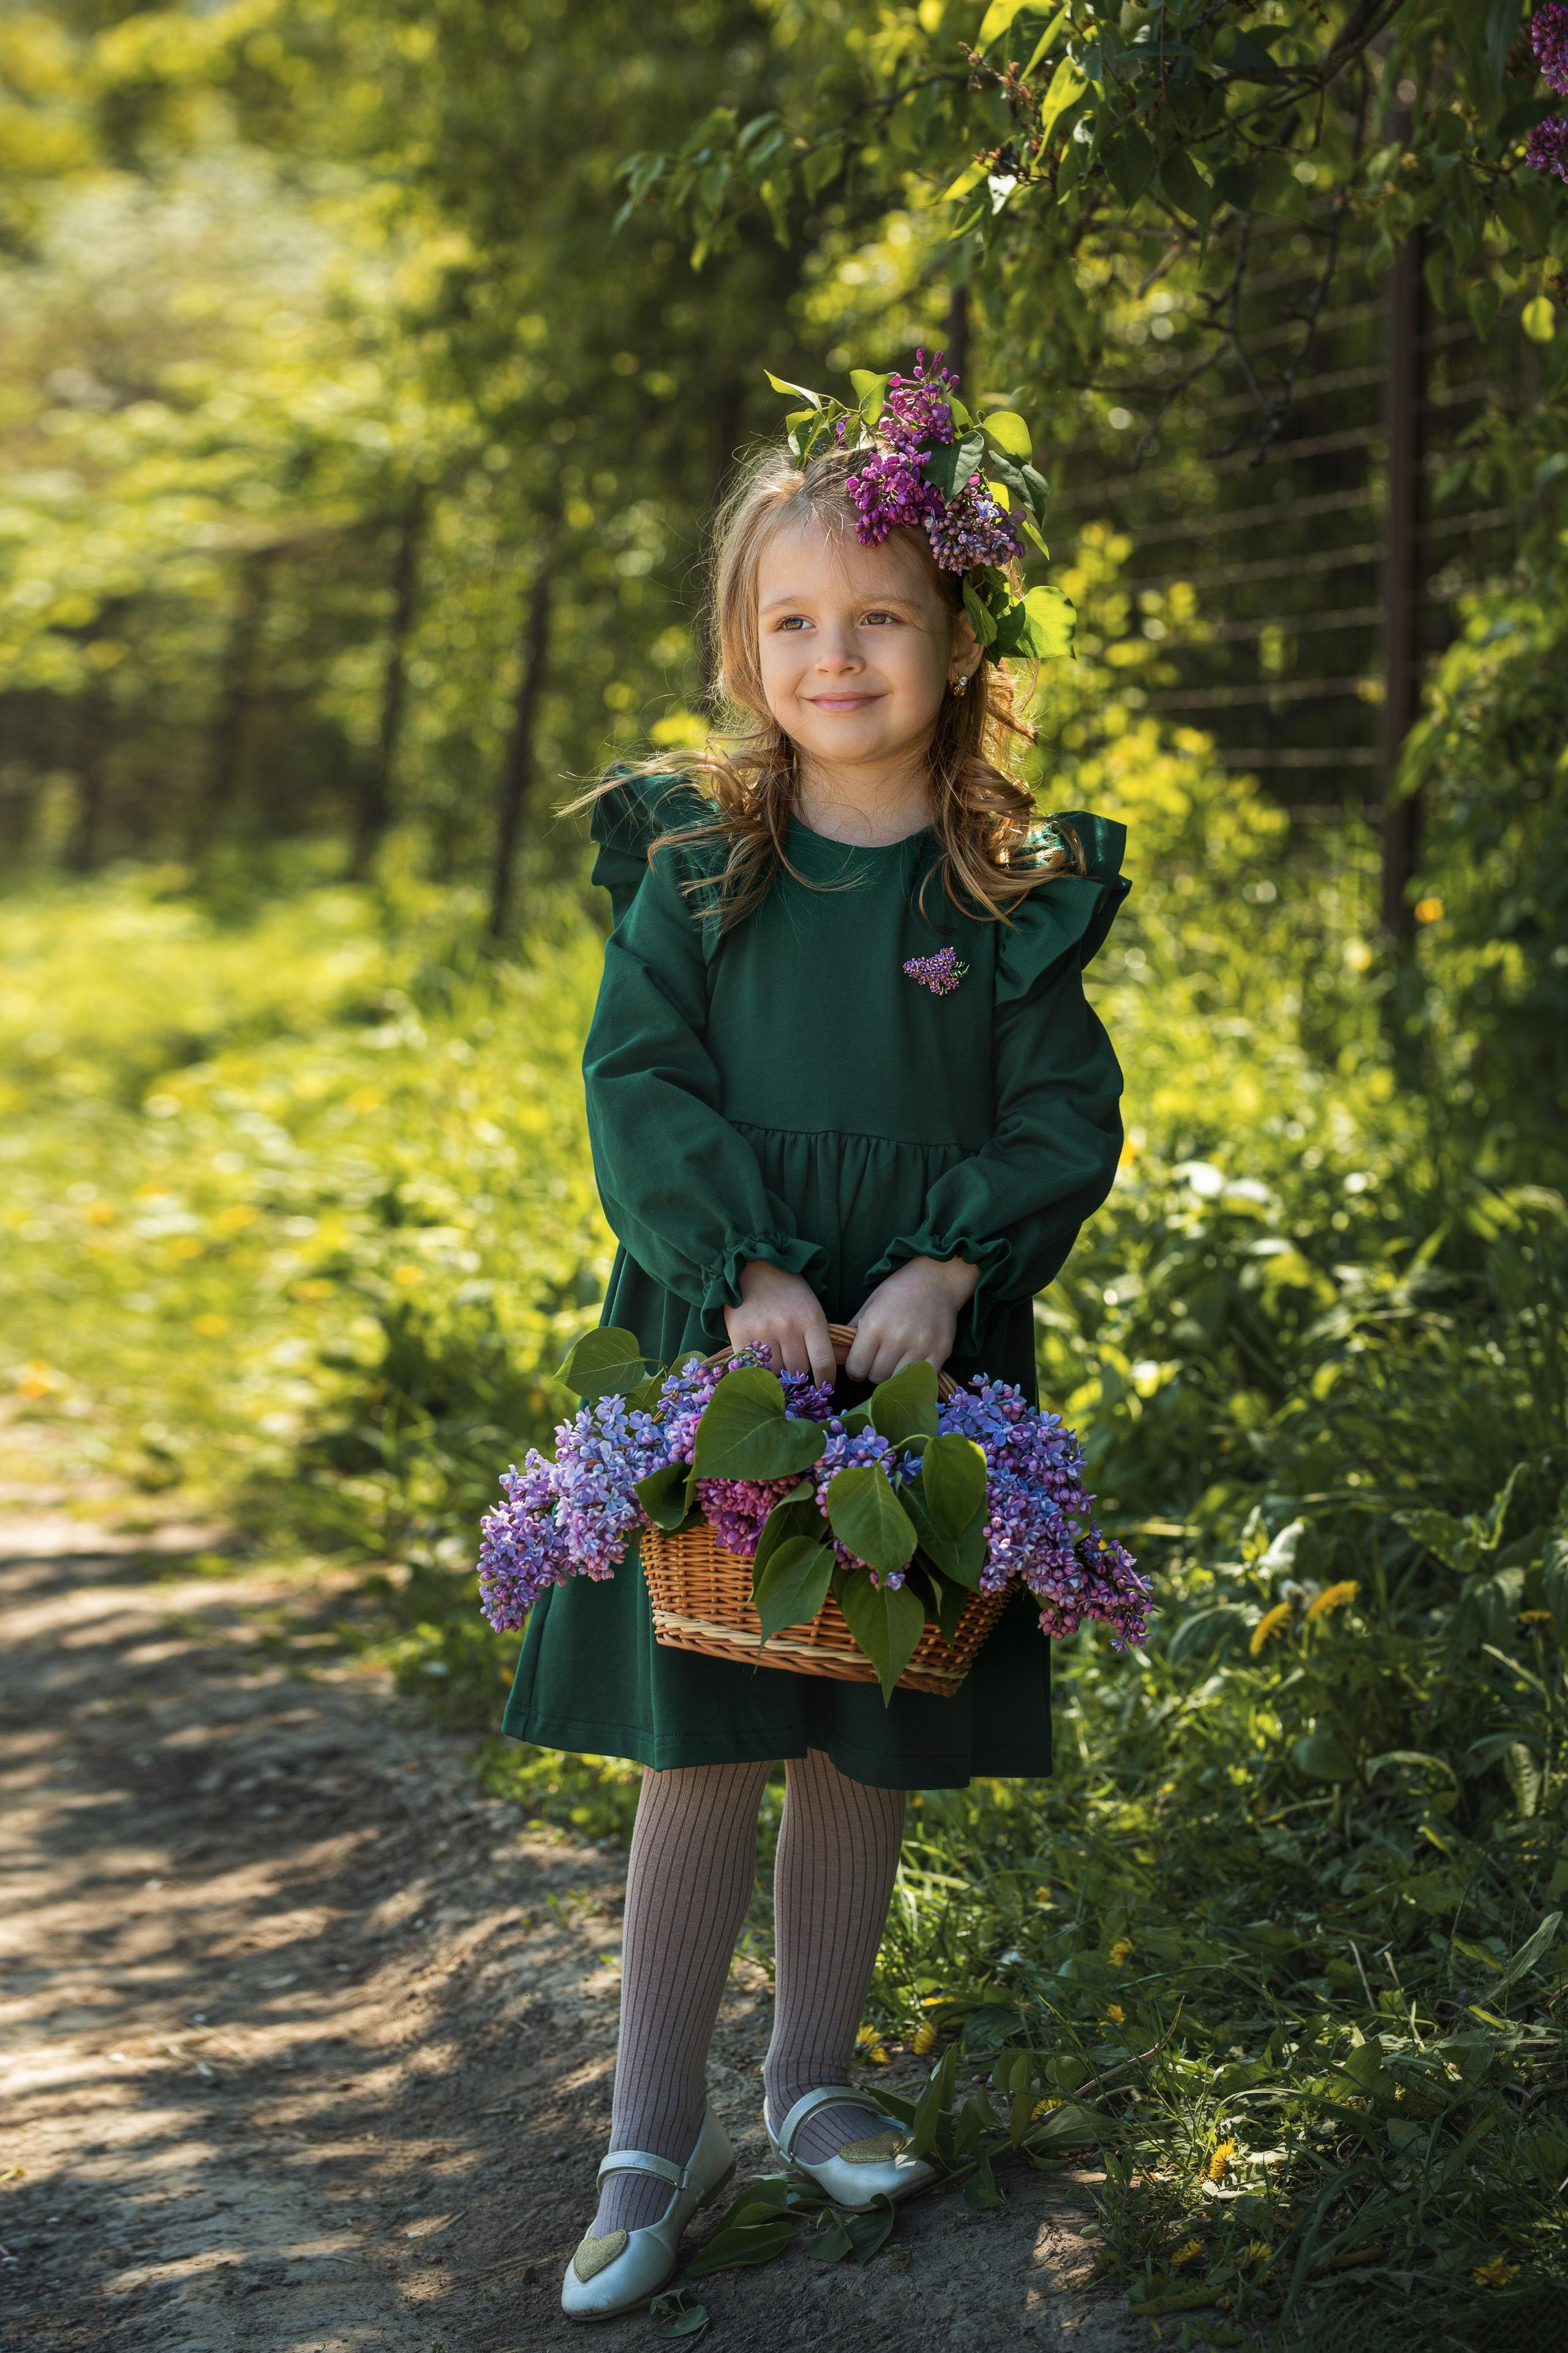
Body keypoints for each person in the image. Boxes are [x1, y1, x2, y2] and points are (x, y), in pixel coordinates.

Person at [503, 364, 1130, 2320]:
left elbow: (1058, 1112)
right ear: (740, 645)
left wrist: (954, 1266)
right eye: (790, 621)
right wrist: (744, 1264)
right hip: (736, 1343)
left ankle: (811, 2082)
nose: (831, 652)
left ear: (958, 643)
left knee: (864, 1699)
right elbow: (641, 1085)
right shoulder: (697, 868)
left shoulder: (1007, 891)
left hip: (922, 1358)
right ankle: (642, 2133)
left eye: (876, 617)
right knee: (709, 1722)